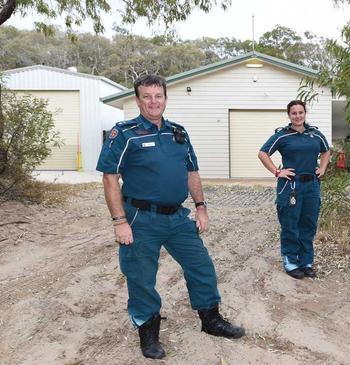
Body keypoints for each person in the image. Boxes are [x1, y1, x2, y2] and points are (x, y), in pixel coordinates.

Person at [96, 74, 244, 360]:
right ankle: (148, 332)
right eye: (147, 97)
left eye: (158, 96)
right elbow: (110, 178)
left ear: (165, 98)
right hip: (140, 218)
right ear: (138, 100)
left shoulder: (178, 132)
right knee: (141, 278)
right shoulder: (124, 134)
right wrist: (119, 221)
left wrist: (200, 206)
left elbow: (191, 171)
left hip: (177, 217)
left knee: (201, 265)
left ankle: (210, 319)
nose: (154, 102)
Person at [258, 100, 331, 279]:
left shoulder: (315, 134)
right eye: (294, 113)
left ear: (305, 113)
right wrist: (277, 171)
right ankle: (291, 262)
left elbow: (326, 151)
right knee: (291, 225)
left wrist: (322, 168)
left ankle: (306, 262)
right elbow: (262, 153)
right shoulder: (282, 136)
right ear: (289, 115)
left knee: (308, 225)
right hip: (291, 186)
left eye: (300, 112)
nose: (298, 116)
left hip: (312, 186)